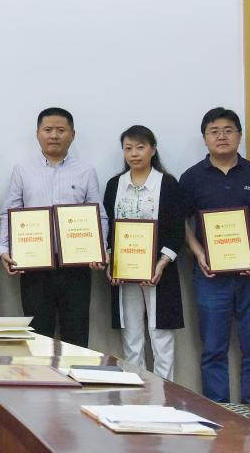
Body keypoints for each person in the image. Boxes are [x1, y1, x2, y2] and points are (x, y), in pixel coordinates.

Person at [180, 107, 250, 403]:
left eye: (228, 130)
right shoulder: (192, 177)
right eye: (214, 131)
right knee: (213, 349)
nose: (221, 136)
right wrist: (199, 253)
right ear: (205, 138)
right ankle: (220, 413)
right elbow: (181, 223)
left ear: (239, 135)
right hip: (210, 276)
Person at [0, 107, 107, 347]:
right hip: (34, 266)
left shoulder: (85, 171)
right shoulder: (22, 170)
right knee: (38, 337)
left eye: (61, 130)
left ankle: (74, 373)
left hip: (76, 267)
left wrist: (100, 250)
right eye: (48, 130)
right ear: (38, 134)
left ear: (72, 135)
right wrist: (4, 249)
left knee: (76, 336)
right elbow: (9, 212)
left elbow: (99, 216)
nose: (54, 135)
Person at [103, 126, 184, 380]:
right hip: (124, 271)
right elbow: (107, 228)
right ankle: (134, 391)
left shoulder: (167, 183)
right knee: (132, 337)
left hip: (159, 270)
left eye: (140, 147)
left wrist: (162, 263)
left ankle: (165, 393)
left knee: (161, 336)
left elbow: (176, 229)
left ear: (153, 149)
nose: (134, 153)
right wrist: (110, 260)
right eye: (128, 148)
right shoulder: (115, 184)